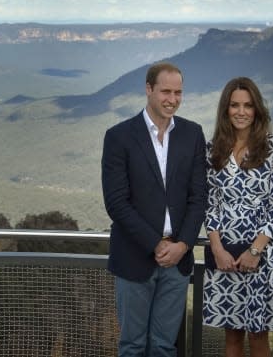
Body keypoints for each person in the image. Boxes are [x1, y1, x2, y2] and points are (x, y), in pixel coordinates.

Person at [101, 61, 207, 357]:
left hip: (177, 260)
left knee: (163, 347)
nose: (172, 99)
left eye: (178, 92)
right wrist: (156, 244)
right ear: (148, 90)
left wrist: (182, 245)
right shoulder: (119, 136)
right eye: (165, 91)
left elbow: (199, 197)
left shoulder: (192, 134)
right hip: (135, 257)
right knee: (132, 347)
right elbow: (116, 203)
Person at [202, 77, 273, 357]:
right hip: (224, 259)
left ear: (257, 110)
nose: (241, 111)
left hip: (261, 258)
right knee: (232, 339)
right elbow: (210, 205)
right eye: (234, 105)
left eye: (248, 105)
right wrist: (217, 248)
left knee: (259, 339)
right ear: (225, 110)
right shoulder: (213, 150)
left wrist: (255, 251)